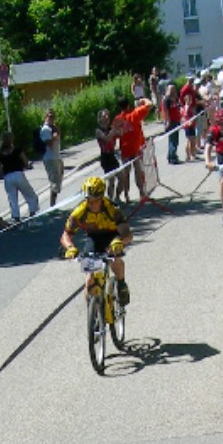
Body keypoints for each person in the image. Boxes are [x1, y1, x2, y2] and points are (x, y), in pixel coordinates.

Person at [60, 176, 133, 305]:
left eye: (95, 200)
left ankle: (121, 283)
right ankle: (93, 310)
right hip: (93, 238)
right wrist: (70, 248)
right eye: (88, 200)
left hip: (112, 236)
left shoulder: (112, 210)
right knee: (89, 280)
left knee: (114, 258)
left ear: (101, 198)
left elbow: (128, 234)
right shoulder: (80, 212)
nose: (91, 204)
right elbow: (66, 235)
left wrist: (121, 242)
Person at [113, 96, 152, 201]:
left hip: (125, 150)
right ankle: (142, 193)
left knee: (126, 174)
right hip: (136, 149)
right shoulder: (135, 114)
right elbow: (149, 104)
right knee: (138, 172)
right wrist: (143, 100)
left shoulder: (117, 120)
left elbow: (114, 135)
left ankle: (126, 195)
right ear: (128, 105)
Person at [0, 131, 39, 223]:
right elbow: (26, 162)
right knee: (30, 195)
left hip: (8, 177)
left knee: (13, 199)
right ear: (11, 139)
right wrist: (28, 165)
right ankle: (32, 214)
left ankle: (16, 218)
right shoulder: (17, 150)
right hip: (18, 174)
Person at [95, 108, 123, 201]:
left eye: (107, 115)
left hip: (112, 155)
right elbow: (106, 139)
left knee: (121, 177)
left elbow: (121, 133)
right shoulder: (98, 130)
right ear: (100, 118)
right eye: (104, 116)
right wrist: (113, 132)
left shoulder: (111, 128)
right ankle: (110, 200)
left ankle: (117, 197)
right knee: (111, 180)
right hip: (105, 157)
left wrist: (119, 128)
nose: (107, 117)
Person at [40, 108, 63, 207]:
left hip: (56, 157)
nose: (52, 118)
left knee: (58, 181)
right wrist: (54, 136)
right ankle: (52, 206)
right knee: (54, 183)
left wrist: (57, 131)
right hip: (50, 158)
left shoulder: (53, 128)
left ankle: (53, 204)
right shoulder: (45, 129)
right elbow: (49, 144)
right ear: (45, 117)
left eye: (53, 116)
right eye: (49, 116)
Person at [161, 83, 182, 164]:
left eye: (174, 89)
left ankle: (171, 155)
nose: (173, 91)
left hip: (176, 121)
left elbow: (177, 108)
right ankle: (172, 157)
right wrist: (168, 121)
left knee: (175, 140)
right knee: (173, 140)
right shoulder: (166, 99)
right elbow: (165, 111)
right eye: (171, 89)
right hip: (171, 122)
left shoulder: (173, 99)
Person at [181, 93, 198, 161]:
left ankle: (193, 154)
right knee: (189, 141)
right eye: (189, 99)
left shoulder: (190, 107)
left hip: (192, 126)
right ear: (186, 100)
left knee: (193, 140)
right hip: (188, 126)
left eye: (191, 99)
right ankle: (188, 155)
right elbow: (185, 116)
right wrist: (189, 122)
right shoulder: (186, 107)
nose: (191, 101)